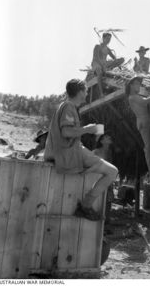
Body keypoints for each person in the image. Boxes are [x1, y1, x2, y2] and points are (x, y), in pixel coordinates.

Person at [44, 79, 118, 221]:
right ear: (79, 92)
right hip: (69, 151)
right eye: (85, 90)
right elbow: (66, 132)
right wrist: (87, 129)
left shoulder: (66, 107)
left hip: (69, 150)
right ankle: (86, 205)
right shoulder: (68, 107)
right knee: (112, 171)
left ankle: (88, 170)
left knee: (100, 164)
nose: (87, 93)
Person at [93, 133, 115, 223]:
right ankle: (98, 218)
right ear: (101, 141)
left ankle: (106, 219)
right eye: (106, 137)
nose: (109, 137)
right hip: (99, 178)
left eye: (109, 137)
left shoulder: (110, 152)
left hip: (108, 177)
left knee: (109, 199)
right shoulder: (96, 152)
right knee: (99, 199)